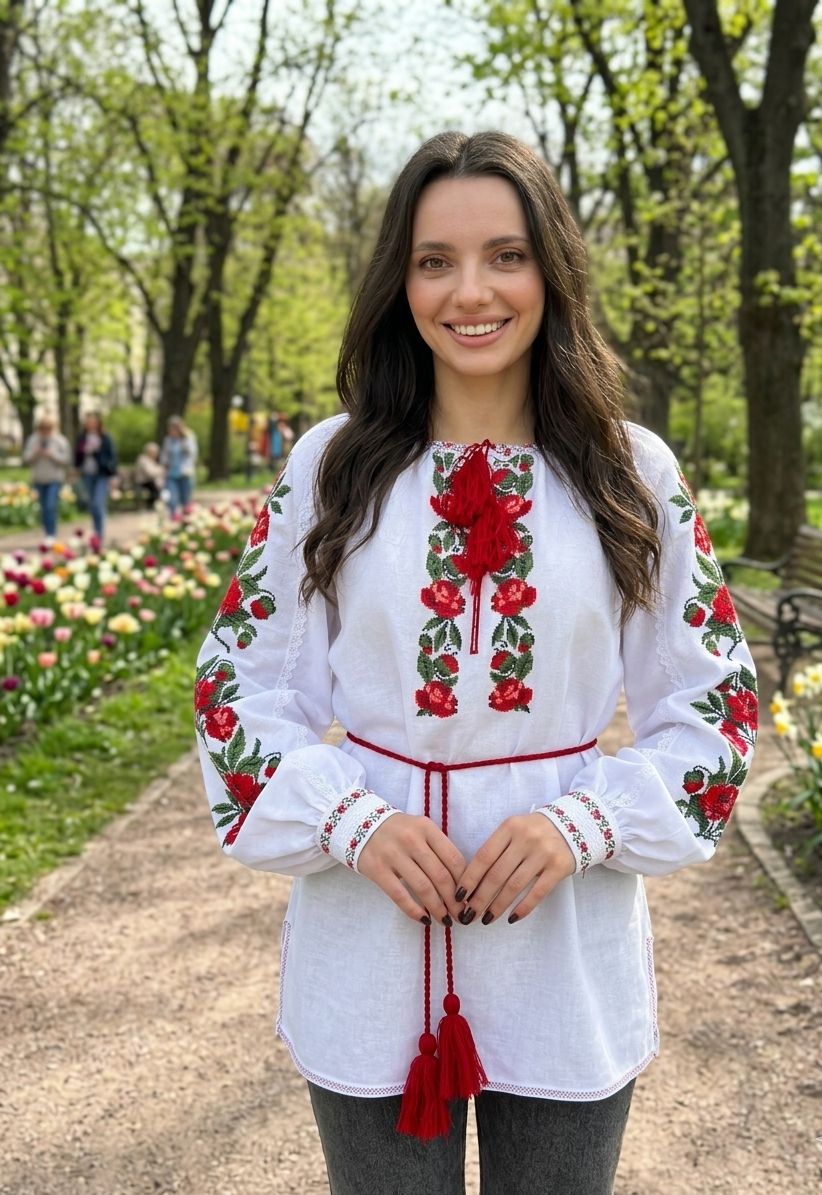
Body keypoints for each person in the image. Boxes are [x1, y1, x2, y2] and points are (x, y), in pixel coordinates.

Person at [194, 132, 756, 1195]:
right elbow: (237, 689)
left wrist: (582, 821)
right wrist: (345, 819)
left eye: (504, 254)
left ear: (549, 268)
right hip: (367, 940)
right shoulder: (334, 465)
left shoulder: (630, 472)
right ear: (397, 281)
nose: (470, 291)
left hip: (564, 945)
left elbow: (714, 706)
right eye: (432, 260)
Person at [23, 415, 71, 538]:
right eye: (42, 427)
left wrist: (52, 455)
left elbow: (66, 460)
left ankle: (51, 534)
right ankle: (47, 533)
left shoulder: (60, 440)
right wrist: (35, 453)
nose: (45, 430)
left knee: (50, 506)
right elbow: (26, 460)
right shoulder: (33, 440)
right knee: (44, 508)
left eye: (48, 427)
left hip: (54, 479)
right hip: (38, 479)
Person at [75, 412, 117, 546]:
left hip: (102, 474)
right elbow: (77, 456)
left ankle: (99, 534)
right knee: (92, 504)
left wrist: (113, 475)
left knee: (98, 503)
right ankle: (95, 531)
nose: (91, 424)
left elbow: (112, 457)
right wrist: (76, 467)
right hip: (87, 474)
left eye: (94, 421)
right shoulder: (82, 438)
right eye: (89, 421)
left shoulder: (105, 438)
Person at [159, 415, 198, 515]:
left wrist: (181, 440)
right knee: (171, 500)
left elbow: (192, 454)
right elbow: (164, 457)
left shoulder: (188, 438)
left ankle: (185, 523)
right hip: (171, 474)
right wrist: (163, 469)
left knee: (185, 502)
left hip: (185, 473)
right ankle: (173, 520)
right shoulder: (168, 440)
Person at [133, 442, 165, 509]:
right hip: (142, 482)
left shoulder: (150, 460)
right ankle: (152, 505)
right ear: (150, 452)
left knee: (159, 485)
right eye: (156, 452)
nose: (157, 454)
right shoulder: (143, 459)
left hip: (149, 481)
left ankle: (154, 504)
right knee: (155, 487)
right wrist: (161, 471)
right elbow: (150, 473)